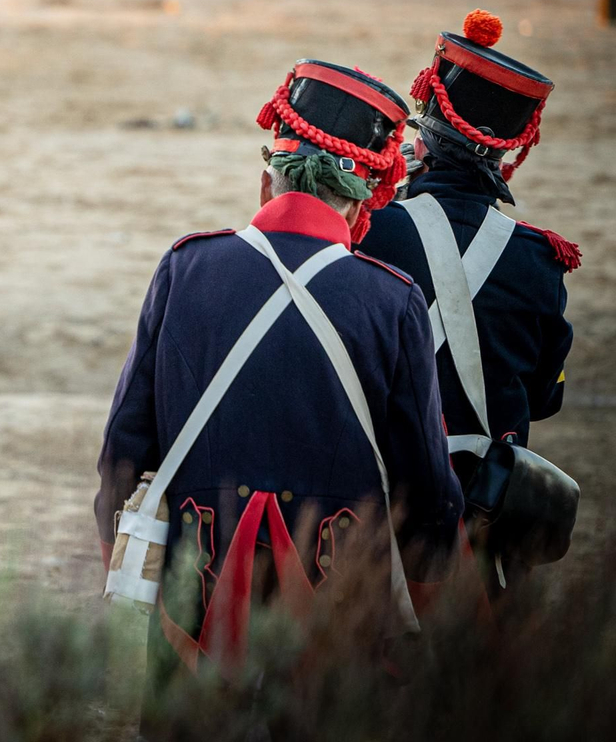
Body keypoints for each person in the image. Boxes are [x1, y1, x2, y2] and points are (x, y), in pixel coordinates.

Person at [96, 58, 463, 698]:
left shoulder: (187, 268)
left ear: (268, 180)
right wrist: (431, 606)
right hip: (339, 600)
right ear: (361, 201)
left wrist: (128, 567)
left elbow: (123, 455)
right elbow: (427, 488)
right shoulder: (392, 299)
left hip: (195, 590)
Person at [357, 10, 578, 598]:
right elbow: (544, 397)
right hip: (486, 528)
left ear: (424, 136)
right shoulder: (540, 260)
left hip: (378, 515)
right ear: (508, 154)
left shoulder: (371, 230)